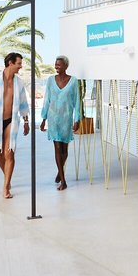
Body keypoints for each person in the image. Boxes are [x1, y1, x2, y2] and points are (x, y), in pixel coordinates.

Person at [0, 52, 30, 199]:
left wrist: (26, 121)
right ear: (10, 63)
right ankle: (7, 178)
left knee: (9, 153)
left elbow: (23, 103)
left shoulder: (19, 83)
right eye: (19, 64)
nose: (20, 66)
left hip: (12, 121)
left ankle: (5, 187)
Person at [40, 55, 81, 191]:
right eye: (55, 64)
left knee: (64, 150)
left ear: (66, 66)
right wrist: (43, 118)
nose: (56, 66)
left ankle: (60, 171)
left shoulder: (73, 81)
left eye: (59, 64)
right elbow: (47, 99)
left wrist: (77, 119)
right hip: (53, 119)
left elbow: (77, 101)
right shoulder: (50, 80)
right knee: (57, 147)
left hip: (66, 119)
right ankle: (63, 181)